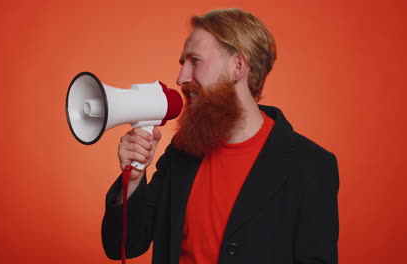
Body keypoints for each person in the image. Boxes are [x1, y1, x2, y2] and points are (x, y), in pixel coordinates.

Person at [102, 8, 339, 264]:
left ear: (237, 66)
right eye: (183, 64)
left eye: (196, 61)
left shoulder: (311, 166)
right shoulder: (182, 150)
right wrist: (134, 180)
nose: (181, 78)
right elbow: (123, 246)